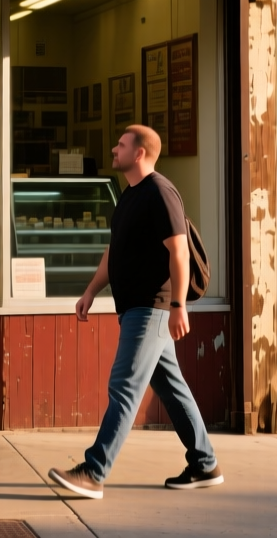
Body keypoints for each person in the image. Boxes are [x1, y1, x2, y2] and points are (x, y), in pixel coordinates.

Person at [47, 125, 221, 500]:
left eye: (122, 145)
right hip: (134, 308)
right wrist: (91, 291)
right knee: (173, 390)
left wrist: (177, 305)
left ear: (139, 153)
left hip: (152, 307)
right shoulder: (129, 195)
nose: (114, 149)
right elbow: (114, 252)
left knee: (124, 386)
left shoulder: (161, 192)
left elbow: (178, 252)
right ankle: (205, 463)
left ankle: (94, 472)